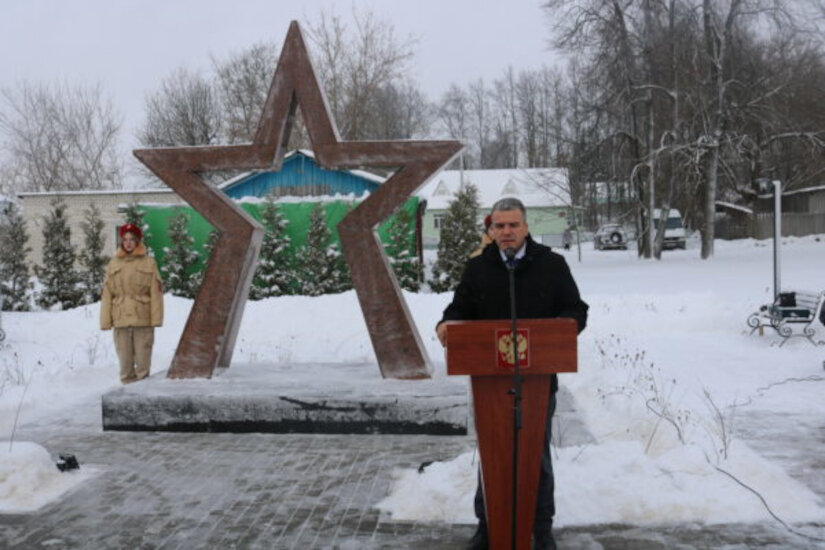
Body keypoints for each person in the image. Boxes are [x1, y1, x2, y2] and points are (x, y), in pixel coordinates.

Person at [436, 197, 588, 550]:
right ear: (491, 230)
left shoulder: (552, 265)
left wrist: (563, 329)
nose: (506, 232)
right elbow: (459, 309)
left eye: (513, 225)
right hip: (491, 384)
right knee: (493, 455)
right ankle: (487, 526)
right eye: (499, 226)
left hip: (537, 382)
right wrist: (446, 324)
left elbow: (575, 309)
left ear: (526, 227)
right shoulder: (478, 268)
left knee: (538, 457)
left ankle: (541, 527)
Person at [100, 223, 164, 384]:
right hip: (120, 319)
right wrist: (105, 321)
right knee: (125, 364)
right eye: (125, 239)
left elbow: (156, 293)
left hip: (142, 318)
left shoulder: (148, 263)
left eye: (132, 239)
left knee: (143, 363)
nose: (128, 243)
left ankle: (142, 398)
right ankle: (126, 397)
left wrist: (156, 319)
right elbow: (107, 294)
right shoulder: (113, 263)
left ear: (138, 242)